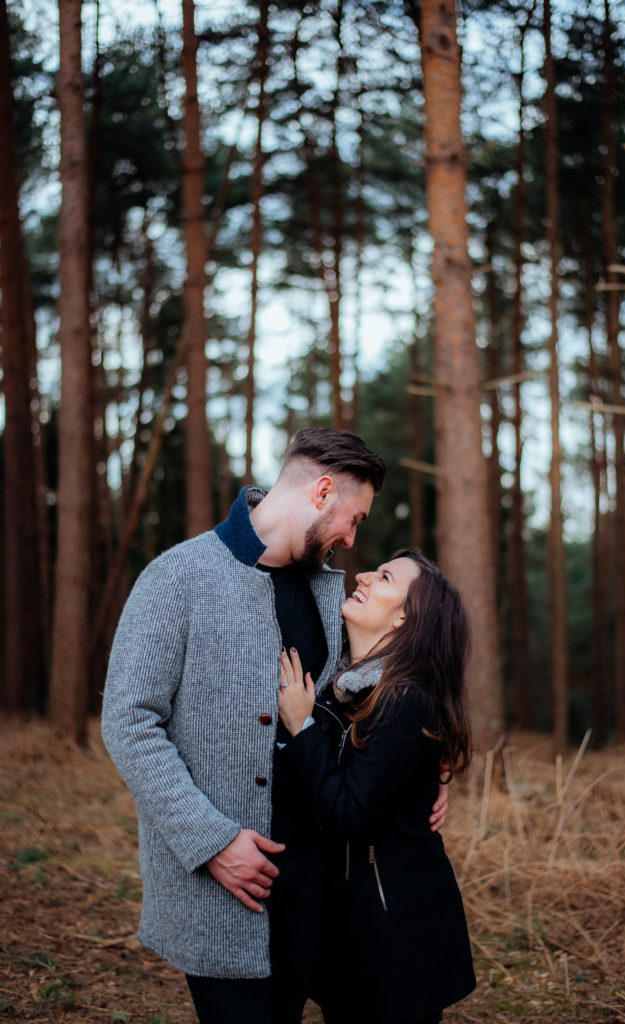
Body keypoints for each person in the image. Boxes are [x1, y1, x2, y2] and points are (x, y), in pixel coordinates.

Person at [101, 428, 446, 1024]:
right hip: (218, 890)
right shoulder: (175, 578)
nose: (352, 538)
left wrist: (427, 769)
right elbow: (130, 723)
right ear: (320, 492)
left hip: (316, 886)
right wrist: (213, 842)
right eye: (354, 518)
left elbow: (366, 702)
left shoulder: (327, 591)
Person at [278, 549, 476, 1024]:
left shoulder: (405, 700)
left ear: (404, 617)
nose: (362, 575)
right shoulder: (347, 687)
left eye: (384, 576)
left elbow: (348, 812)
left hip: (395, 943)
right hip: (352, 934)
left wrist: (303, 728)